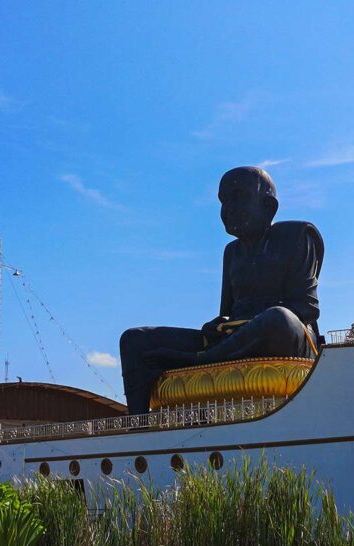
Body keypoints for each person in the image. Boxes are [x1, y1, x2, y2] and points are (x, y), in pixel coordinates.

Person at [119, 166, 323, 414]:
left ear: (269, 207)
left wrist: (249, 325)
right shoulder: (232, 252)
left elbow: (307, 308)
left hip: (286, 336)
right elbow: (228, 312)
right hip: (233, 341)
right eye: (224, 202)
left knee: (278, 317)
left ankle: (199, 361)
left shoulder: (297, 235)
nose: (228, 210)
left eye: (239, 198)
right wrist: (219, 324)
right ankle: (139, 423)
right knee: (134, 339)